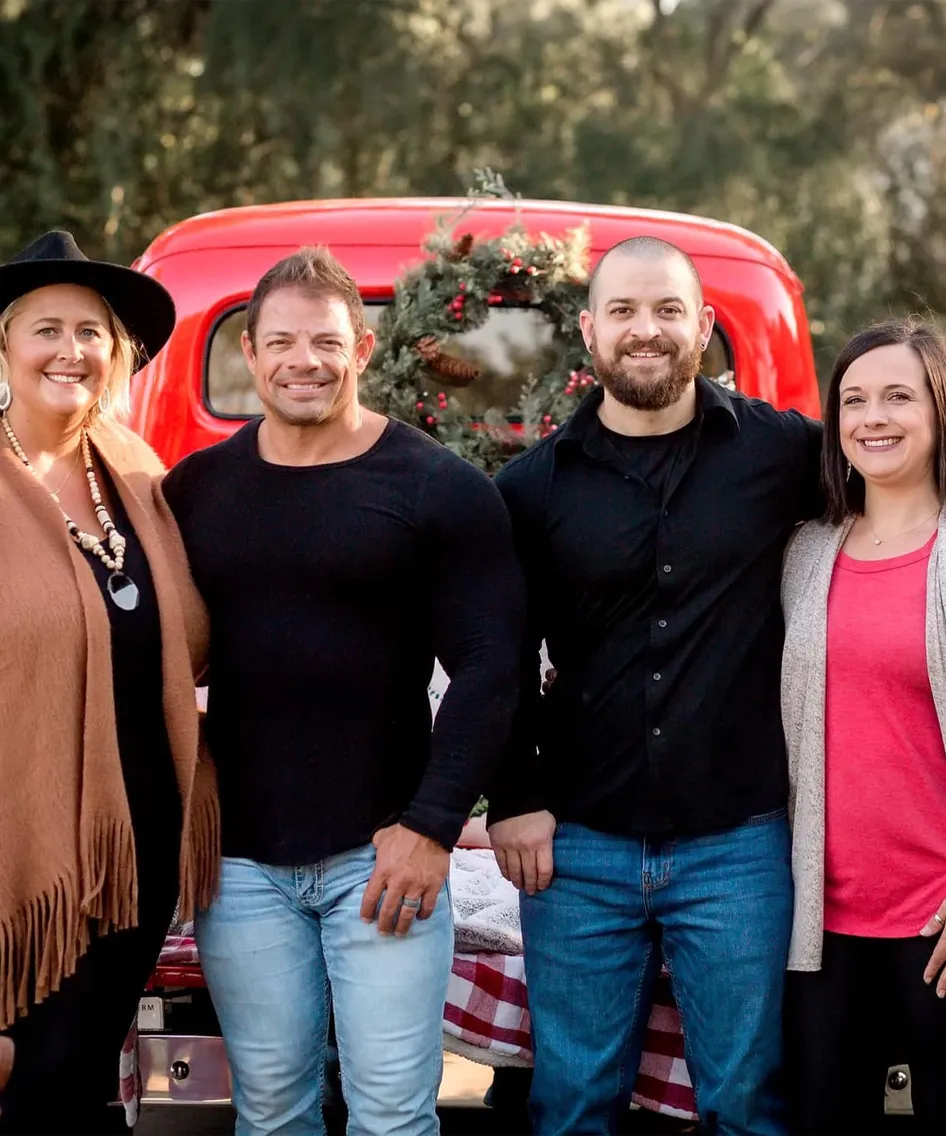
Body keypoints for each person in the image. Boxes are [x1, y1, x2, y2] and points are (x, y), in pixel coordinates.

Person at [162, 245, 524, 1136]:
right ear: (250, 352)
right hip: (239, 867)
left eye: (324, 342)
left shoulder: (438, 487)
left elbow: (492, 666)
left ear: (360, 350)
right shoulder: (197, 491)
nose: (303, 362)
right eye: (280, 342)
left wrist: (433, 826)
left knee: (393, 1115)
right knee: (272, 1110)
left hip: (383, 856)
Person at [487, 236, 823, 1136]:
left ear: (704, 327)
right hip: (579, 848)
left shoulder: (783, 454)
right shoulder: (532, 489)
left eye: (669, 310)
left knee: (747, 1103)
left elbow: (901, 490)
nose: (648, 331)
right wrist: (514, 798)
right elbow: (500, 657)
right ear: (590, 333)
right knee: (570, 1108)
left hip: (738, 847)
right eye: (626, 312)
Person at [0, 230, 219, 1134]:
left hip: (135, 844)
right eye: (46, 328)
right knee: (30, 1078)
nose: (71, 351)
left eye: (92, 332)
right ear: (5, 347)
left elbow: (189, 642)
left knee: (84, 1074)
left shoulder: (136, 471)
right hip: (22, 849)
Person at [781, 317, 946, 1136]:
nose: (872, 417)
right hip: (820, 927)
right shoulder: (806, 552)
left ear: (939, 410)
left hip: (936, 921)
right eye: (852, 400)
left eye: (897, 396)